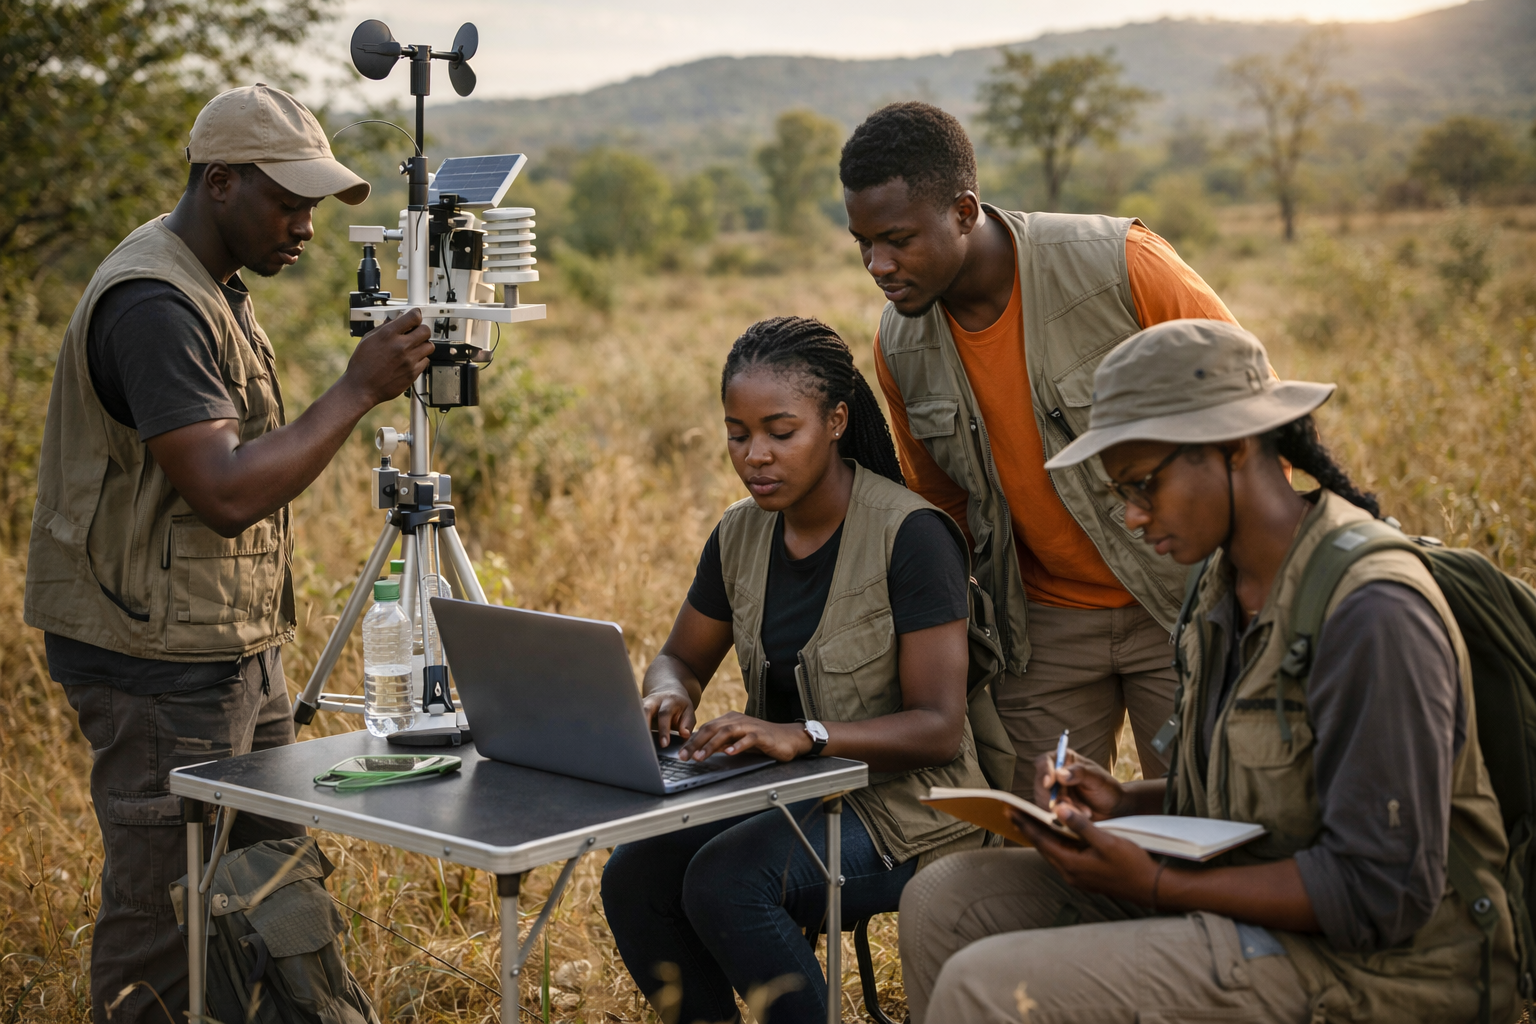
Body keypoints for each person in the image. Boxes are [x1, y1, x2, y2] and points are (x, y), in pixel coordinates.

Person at [897, 318, 1517, 1024]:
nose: (1133, 517)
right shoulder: (1220, 587)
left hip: (1386, 972)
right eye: (1120, 492)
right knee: (945, 902)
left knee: (984, 985)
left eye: (1144, 485)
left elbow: (1382, 893)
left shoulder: (1371, 612)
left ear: (1234, 446)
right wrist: (1124, 804)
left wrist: (1157, 885)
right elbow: (1257, 808)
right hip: (1251, 905)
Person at [25, 85, 434, 1024]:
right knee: (166, 918)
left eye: (312, 206)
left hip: (229, 648)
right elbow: (225, 493)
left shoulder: (213, 285)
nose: (305, 227)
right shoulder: (154, 304)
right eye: (287, 203)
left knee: (273, 894)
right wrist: (356, 390)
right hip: (156, 664)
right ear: (219, 183)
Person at [840, 102, 1243, 798]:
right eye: (863, 244)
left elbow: (1249, 416)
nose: (879, 264)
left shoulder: (1120, 265)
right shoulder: (899, 344)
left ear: (964, 212)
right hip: (1041, 631)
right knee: (1047, 834)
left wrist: (1252, 590)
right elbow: (943, 505)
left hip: (1185, 604)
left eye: (898, 239)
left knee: (1208, 819)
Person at [600, 316, 990, 1024]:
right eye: (737, 435)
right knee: (635, 873)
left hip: (908, 806)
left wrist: (804, 735)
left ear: (836, 421)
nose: (756, 456)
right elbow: (681, 658)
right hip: (789, 793)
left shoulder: (911, 536)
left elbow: (938, 729)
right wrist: (668, 694)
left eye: (781, 433)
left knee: (728, 882)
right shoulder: (740, 531)